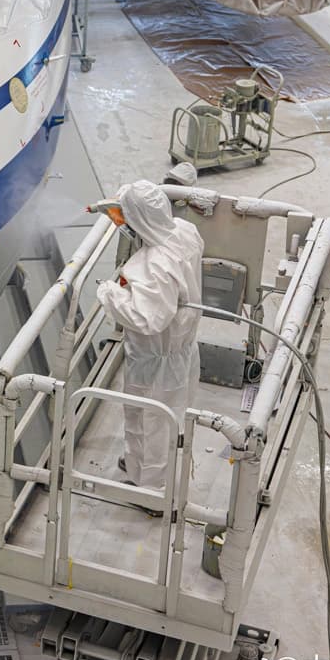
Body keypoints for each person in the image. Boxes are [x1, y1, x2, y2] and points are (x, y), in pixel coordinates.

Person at [95, 180, 205, 496]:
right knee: (170, 416)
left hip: (155, 359)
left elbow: (147, 319)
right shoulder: (184, 231)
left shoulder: (155, 264)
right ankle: (141, 466)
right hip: (182, 348)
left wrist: (110, 293)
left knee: (148, 421)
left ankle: (149, 489)